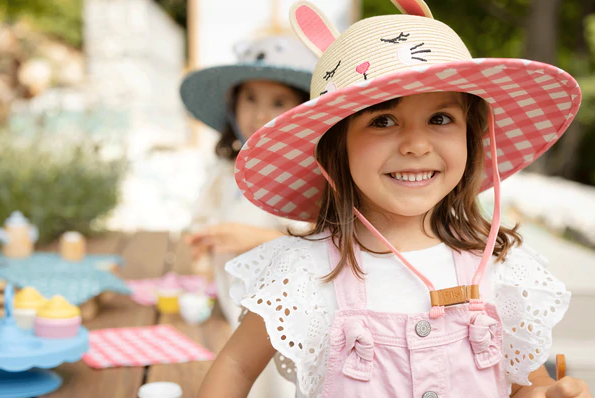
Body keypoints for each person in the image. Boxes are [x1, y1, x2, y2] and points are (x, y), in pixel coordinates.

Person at [199, 1, 591, 397]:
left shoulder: (499, 267)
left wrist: (547, 394)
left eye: (440, 119)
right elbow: (234, 365)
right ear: (338, 147)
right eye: (382, 121)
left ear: (472, 139)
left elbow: (525, 381)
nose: (417, 145)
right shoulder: (305, 270)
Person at [180, 35, 316, 398]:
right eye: (250, 99)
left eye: (278, 102)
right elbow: (202, 219)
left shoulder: (309, 179)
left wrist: (256, 239)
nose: (259, 114)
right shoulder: (224, 172)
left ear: (302, 110)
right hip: (230, 310)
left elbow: (326, 250)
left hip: (285, 325)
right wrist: (202, 243)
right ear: (232, 105)